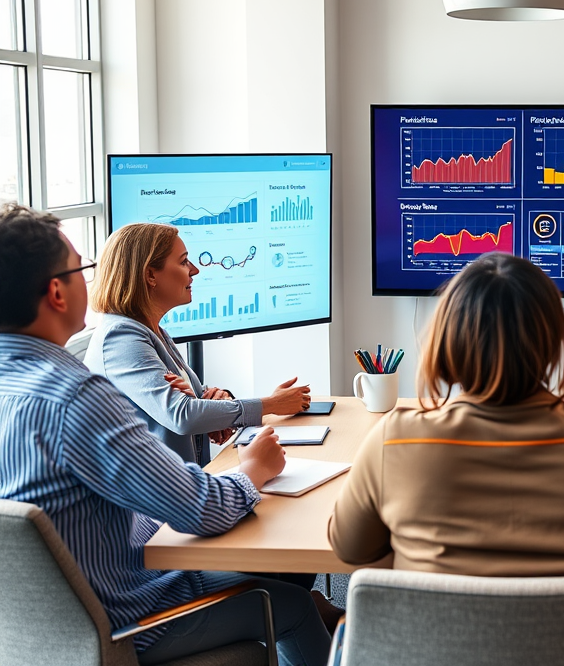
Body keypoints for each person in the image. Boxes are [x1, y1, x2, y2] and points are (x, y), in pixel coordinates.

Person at [0, 203, 330, 665]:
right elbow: (203, 510)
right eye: (83, 267)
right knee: (289, 603)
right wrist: (253, 470)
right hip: (124, 618)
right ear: (57, 291)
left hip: (34, 636)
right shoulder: (75, 396)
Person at [328, 252, 564, 575]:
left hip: (438, 645)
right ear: (550, 341)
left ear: (449, 342)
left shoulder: (396, 440)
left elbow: (351, 548)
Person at [85, 222, 311, 466]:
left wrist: (217, 402)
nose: (194, 270)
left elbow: (190, 398)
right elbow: (182, 415)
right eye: (183, 262)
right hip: (159, 497)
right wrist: (272, 404)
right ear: (150, 275)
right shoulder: (121, 339)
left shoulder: (151, 329)